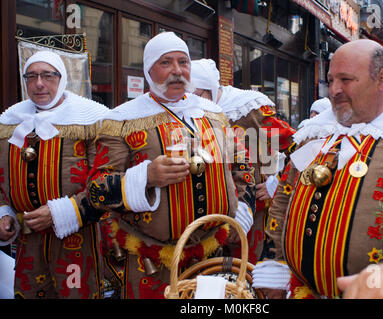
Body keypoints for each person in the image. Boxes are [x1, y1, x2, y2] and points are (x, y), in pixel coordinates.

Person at [252, 39, 383, 299]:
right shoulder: (315, 133)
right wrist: (274, 266)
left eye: (345, 80)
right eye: (331, 79)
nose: (333, 90)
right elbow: (284, 195)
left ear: (382, 79)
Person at [83, 32, 255, 299]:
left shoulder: (214, 114)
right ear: (148, 70)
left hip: (212, 255)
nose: (177, 71)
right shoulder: (122, 120)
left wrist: (240, 210)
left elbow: (242, 165)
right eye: (166, 63)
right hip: (151, 262)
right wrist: (146, 177)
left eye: (183, 62)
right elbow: (97, 190)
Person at [0, 50, 108, 298]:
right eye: (31, 76)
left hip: (78, 239)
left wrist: (62, 212)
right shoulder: (9, 122)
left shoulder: (92, 120)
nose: (39, 83)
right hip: (28, 242)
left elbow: (106, 180)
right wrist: (4, 214)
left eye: (48, 75)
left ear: (62, 80)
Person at [190, 58, 296, 263]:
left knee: (248, 276)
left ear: (210, 89)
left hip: (253, 211)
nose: (193, 101)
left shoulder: (248, 110)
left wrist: (278, 183)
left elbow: (298, 146)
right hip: (211, 214)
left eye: (197, 95)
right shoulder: (191, 114)